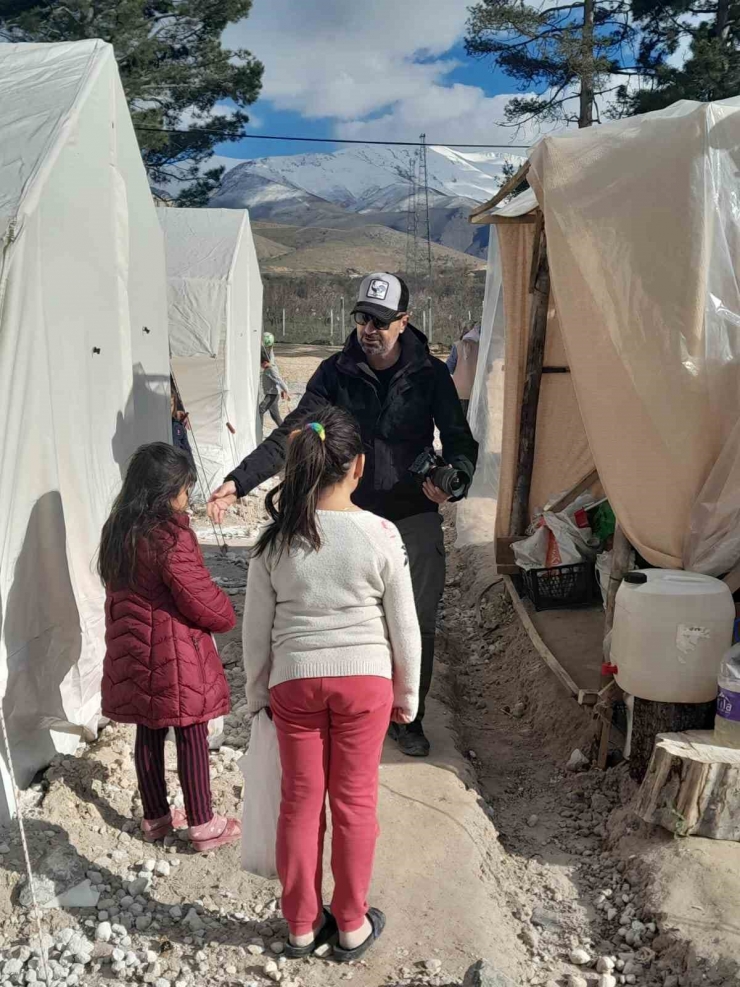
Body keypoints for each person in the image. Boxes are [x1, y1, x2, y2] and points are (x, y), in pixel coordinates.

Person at [210, 272, 478, 757]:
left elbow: (460, 441)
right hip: (346, 517)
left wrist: (452, 481)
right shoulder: (336, 372)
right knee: (348, 617)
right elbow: (293, 432)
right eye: (361, 318)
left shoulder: (431, 375)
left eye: (378, 320)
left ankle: (408, 715)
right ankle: (350, 705)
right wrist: (240, 480)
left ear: (404, 322)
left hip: (412, 514)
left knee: (417, 617)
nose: (367, 330)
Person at [243, 406, 421, 962]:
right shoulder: (382, 534)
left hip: (295, 683)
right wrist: (408, 694)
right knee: (354, 803)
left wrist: (255, 696)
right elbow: (405, 627)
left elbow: (256, 632)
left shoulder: (274, 542)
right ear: (359, 467)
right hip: (366, 682)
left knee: (299, 802)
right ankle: (350, 923)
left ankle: (299, 924)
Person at [98, 442, 241, 853]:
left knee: (149, 728)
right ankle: (203, 824)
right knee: (192, 729)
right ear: (166, 493)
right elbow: (199, 598)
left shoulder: (118, 529)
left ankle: (156, 818)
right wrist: (226, 615)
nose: (187, 497)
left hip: (133, 648)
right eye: (184, 489)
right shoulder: (170, 537)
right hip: (173, 653)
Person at [447, 324, 480, 418]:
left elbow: (449, 367)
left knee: (460, 421)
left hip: (459, 391)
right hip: (476, 391)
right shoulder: (481, 347)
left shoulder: (457, 345)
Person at [259, 344, 291, 429]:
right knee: (275, 417)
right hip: (272, 394)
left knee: (260, 409)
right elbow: (272, 356)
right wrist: (270, 348)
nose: (260, 366)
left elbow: (279, 380)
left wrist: (286, 391)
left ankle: (259, 429)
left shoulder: (270, 370)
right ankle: (284, 431)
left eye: (261, 364)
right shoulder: (271, 363)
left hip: (272, 395)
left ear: (265, 362)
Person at [170, 377, 194, 466]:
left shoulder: (178, 426)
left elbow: (187, 449)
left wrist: (192, 471)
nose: (168, 408)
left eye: (171, 405)